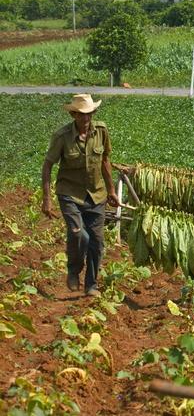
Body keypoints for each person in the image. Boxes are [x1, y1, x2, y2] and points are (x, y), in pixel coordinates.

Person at [41, 94, 119, 297]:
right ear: (74, 114)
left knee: (97, 242)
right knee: (78, 234)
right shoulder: (62, 136)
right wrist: (47, 199)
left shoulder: (101, 131)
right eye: (82, 115)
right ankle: (73, 271)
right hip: (70, 194)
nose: (86, 119)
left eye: (90, 114)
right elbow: (48, 165)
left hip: (96, 194)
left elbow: (105, 160)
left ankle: (91, 285)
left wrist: (111, 190)